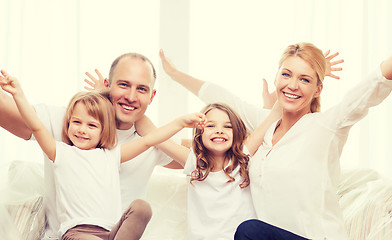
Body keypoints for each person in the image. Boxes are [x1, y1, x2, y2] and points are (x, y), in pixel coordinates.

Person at [158, 44, 392, 239]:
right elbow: (222, 98)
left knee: (248, 230)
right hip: (270, 236)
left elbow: (369, 90)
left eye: (305, 80)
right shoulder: (265, 125)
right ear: (276, 78)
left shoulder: (326, 126)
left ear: (318, 89)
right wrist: (175, 75)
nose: (292, 85)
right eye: (287, 75)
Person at [0, 70, 206, 239]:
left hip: (110, 232)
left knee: (142, 208)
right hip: (77, 232)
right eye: (76, 123)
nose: (82, 130)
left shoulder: (111, 155)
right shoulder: (60, 152)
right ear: (68, 123)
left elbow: (149, 140)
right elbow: (35, 126)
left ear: (103, 131)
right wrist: (18, 94)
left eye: (91, 125)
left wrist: (180, 122)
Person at [135, 102, 281, 240]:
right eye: (210, 125)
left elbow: (274, 115)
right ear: (199, 133)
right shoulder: (194, 162)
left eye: (228, 127)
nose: (219, 130)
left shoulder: (243, 156)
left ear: (237, 133)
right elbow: (150, 131)